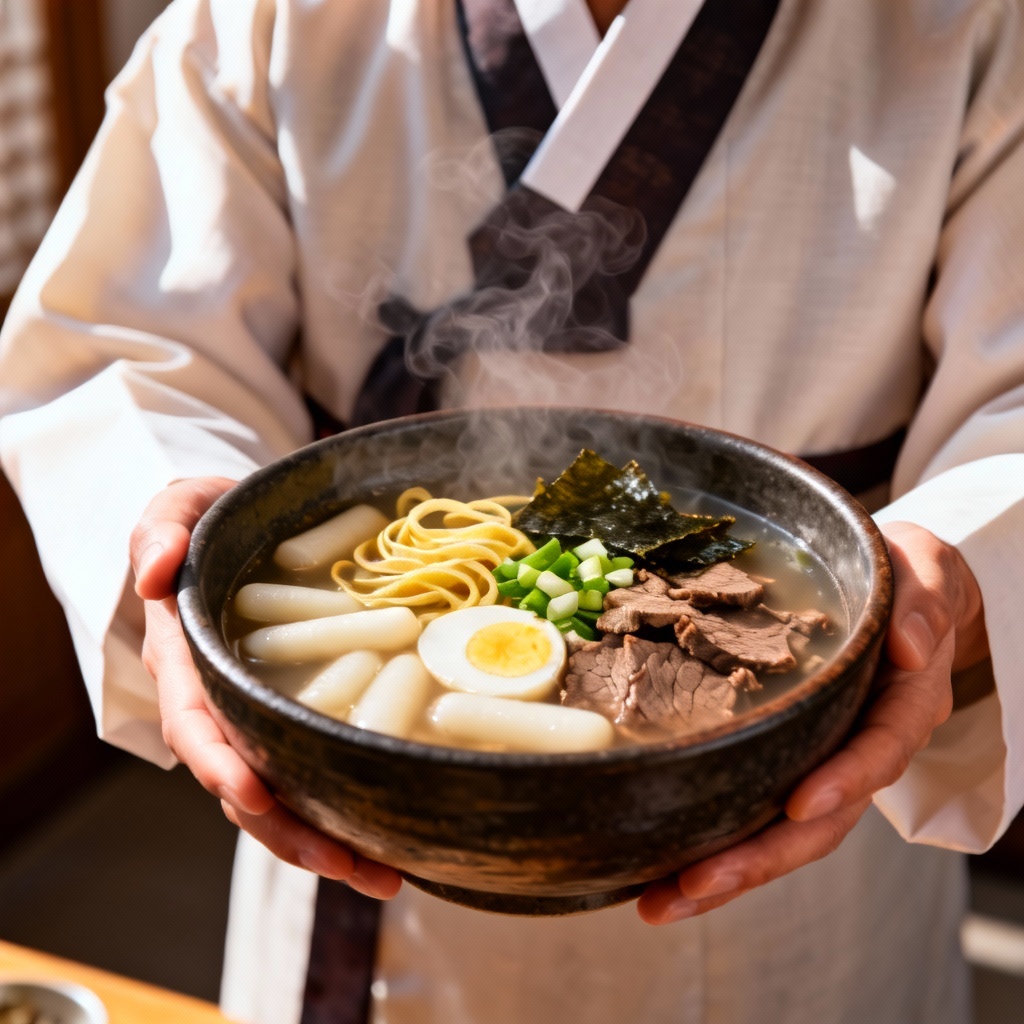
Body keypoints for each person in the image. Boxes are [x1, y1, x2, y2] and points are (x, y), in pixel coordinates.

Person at [1, 0, 1022, 1021]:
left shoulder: (967, 23)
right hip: (345, 766)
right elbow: (123, 344)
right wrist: (174, 512)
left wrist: (956, 567)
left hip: (801, 769)